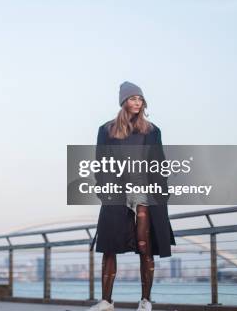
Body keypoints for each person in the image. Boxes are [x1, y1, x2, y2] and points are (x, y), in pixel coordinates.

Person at [88, 81, 176, 311]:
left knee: (144, 243)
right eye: (132, 98)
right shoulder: (106, 130)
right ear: (123, 101)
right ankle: (106, 301)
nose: (137, 103)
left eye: (140, 99)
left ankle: (145, 301)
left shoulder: (152, 130)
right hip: (115, 192)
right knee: (109, 245)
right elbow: (100, 163)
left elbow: (159, 163)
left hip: (144, 191)